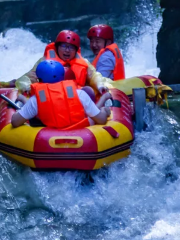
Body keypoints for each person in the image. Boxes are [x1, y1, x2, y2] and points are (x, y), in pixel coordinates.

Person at [11, 60, 111, 129]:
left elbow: (15, 122)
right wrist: (104, 111)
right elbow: (101, 120)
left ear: (39, 80)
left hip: (47, 140)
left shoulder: (36, 100)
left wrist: (18, 109)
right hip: (81, 133)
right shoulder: (80, 94)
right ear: (63, 77)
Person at [2, 30, 107, 94]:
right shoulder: (45, 62)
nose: (67, 50)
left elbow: (94, 76)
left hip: (76, 96)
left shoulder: (83, 62)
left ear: (76, 50)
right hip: (50, 97)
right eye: (64, 46)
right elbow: (27, 78)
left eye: (71, 47)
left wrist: (100, 85)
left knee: (89, 91)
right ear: (57, 47)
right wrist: (25, 86)